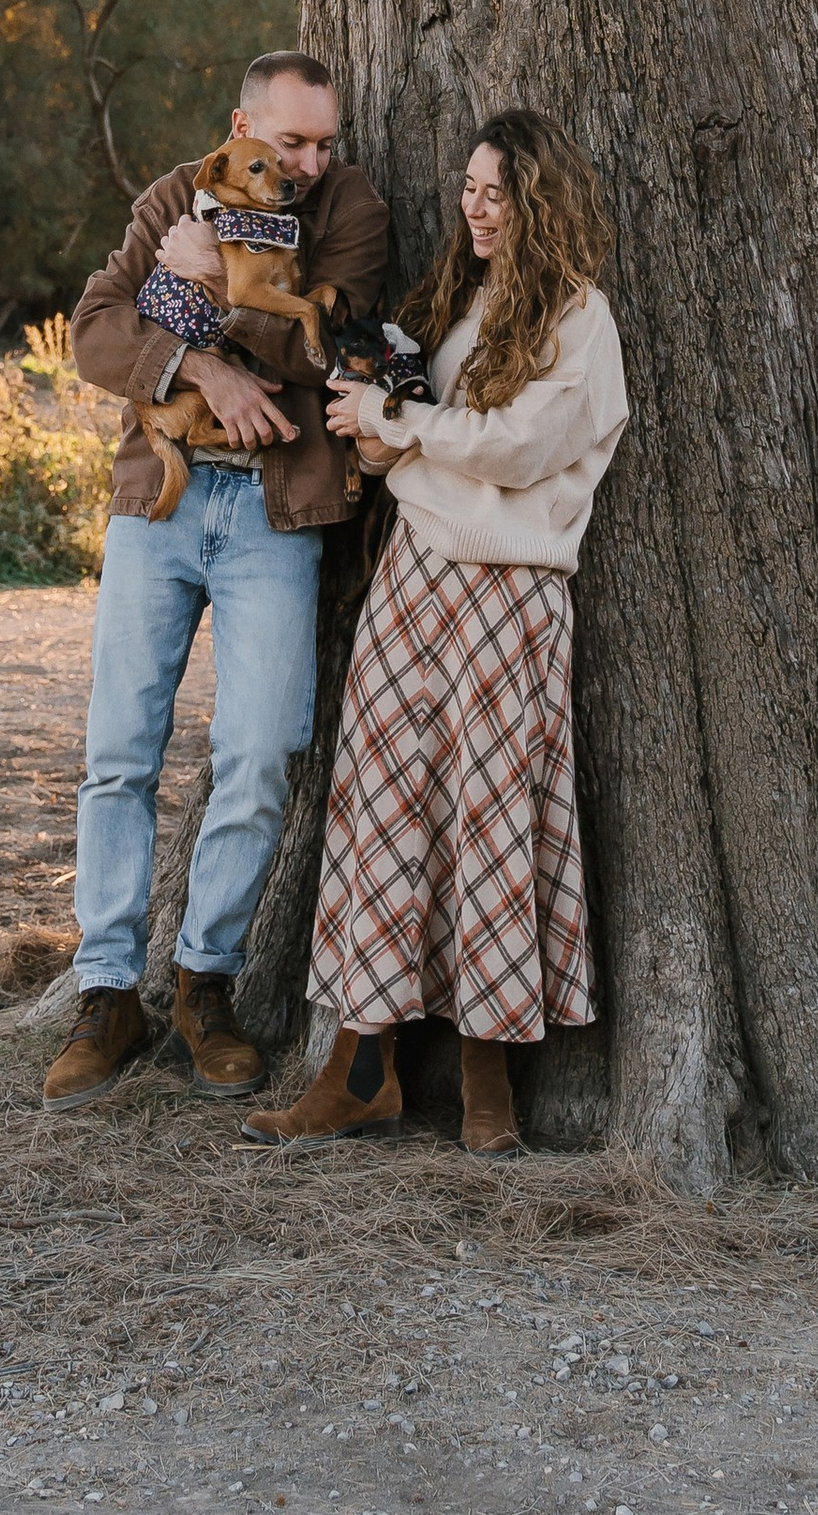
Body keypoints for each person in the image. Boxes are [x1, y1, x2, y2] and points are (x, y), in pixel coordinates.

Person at [242, 106, 628, 1158]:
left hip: (509, 590)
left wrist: (398, 428)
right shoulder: (458, 307)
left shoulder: (580, 320)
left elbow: (521, 447)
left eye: (496, 191)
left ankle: (487, 1074)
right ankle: (357, 1068)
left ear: (540, 199)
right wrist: (368, 430)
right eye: (467, 188)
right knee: (382, 816)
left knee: (490, 821)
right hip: (414, 577)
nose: (474, 206)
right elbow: (415, 448)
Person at [49, 51, 390, 1111]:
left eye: (321, 143)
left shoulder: (350, 209)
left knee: (258, 754)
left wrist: (200, 297)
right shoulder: (172, 196)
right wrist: (198, 364)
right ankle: (106, 993)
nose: (305, 163)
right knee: (119, 755)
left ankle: (205, 984)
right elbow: (95, 334)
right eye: (287, 143)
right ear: (242, 128)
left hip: (278, 513)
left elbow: (329, 345)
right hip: (159, 499)